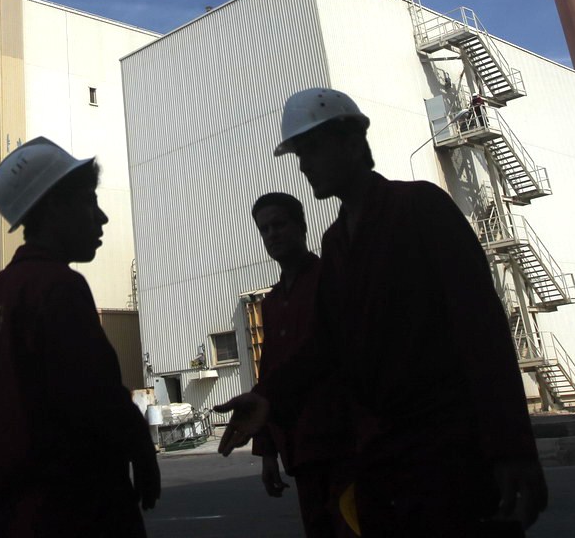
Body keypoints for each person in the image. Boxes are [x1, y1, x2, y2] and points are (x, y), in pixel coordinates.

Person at [218, 88, 547, 537]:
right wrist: (269, 395)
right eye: (299, 153)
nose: (303, 164)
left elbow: (482, 332)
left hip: (450, 452)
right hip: (384, 458)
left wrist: (512, 449)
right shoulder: (337, 245)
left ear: (352, 141)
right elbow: (328, 344)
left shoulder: (421, 210)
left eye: (311, 148)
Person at [0, 137, 160, 537]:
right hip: (67, 510)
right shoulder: (57, 286)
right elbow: (94, 393)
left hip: (6, 512)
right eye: (88, 201)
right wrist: (141, 451)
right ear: (53, 207)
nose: (101, 218)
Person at [248, 191, 354, 538]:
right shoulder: (272, 302)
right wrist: (267, 452)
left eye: (279, 225)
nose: (272, 235)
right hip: (302, 450)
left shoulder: (330, 278)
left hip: (343, 444)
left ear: (302, 226)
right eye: (264, 230)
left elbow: (330, 354)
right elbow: (269, 371)